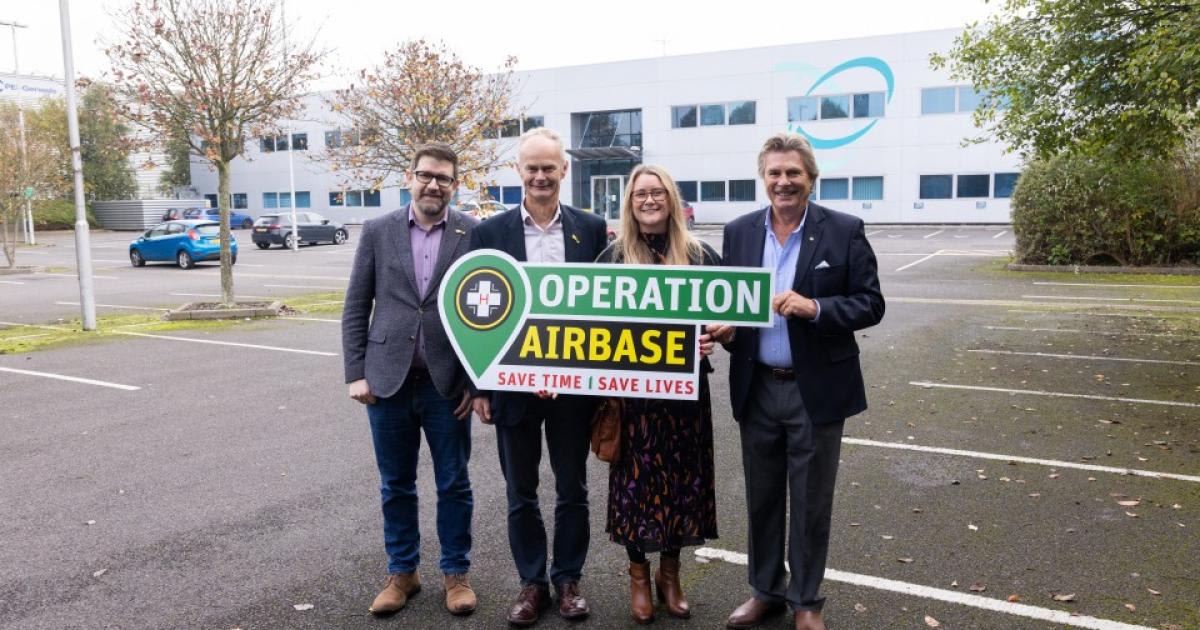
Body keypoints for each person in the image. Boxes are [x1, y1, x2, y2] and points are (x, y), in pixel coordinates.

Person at [713, 132, 884, 630]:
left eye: (793, 173)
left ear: (810, 178)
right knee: (762, 497)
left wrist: (816, 308)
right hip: (757, 384)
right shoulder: (740, 231)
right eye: (774, 173)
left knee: (811, 500)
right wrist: (725, 329)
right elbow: (732, 304)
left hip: (816, 389)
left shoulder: (844, 230)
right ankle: (765, 591)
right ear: (763, 178)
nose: (783, 182)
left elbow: (871, 303)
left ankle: (806, 600)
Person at [468, 127, 608, 627]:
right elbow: (474, 314)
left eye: (550, 167)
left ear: (564, 170)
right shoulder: (488, 233)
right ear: (519, 171)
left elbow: (606, 309)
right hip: (512, 388)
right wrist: (480, 384)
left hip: (572, 387)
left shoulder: (592, 228)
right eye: (533, 168)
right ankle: (532, 583)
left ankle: (568, 579)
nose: (541, 176)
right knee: (519, 491)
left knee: (573, 487)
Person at [341, 143, 480, 617]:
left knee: (454, 482)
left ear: (455, 184)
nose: (433, 185)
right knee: (395, 484)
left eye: (443, 178)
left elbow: (491, 313)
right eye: (425, 175)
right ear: (410, 177)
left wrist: (475, 382)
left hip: (448, 384)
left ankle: (455, 574)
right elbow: (357, 304)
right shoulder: (378, 231)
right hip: (386, 382)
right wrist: (356, 372)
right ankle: (403, 573)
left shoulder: (472, 232)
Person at [595, 164, 722, 624]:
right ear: (629, 204)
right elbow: (587, 329)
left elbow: (730, 318)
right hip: (632, 399)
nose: (649, 201)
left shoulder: (701, 255)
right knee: (634, 488)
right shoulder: (612, 257)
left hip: (685, 396)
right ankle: (638, 575)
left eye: (658, 193)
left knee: (681, 483)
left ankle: (671, 574)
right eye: (640, 194)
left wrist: (718, 334)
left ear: (671, 199)